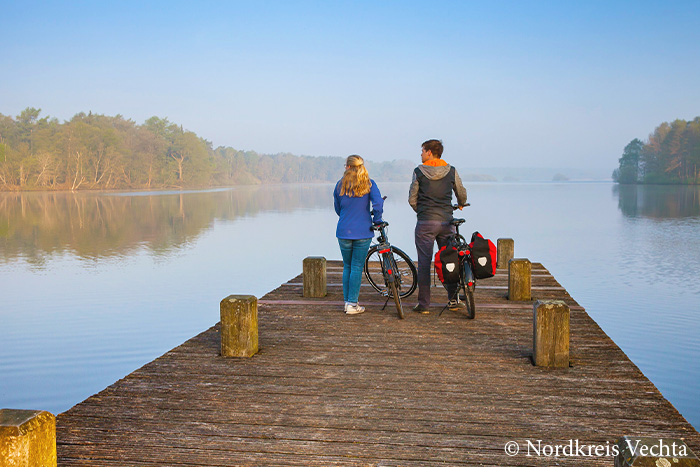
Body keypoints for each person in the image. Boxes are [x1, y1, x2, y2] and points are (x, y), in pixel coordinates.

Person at [408, 139, 467, 313]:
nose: (421, 154)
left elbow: (412, 199)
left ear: (429, 152)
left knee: (424, 263)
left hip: (425, 223)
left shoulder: (419, 171)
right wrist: (461, 203)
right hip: (447, 222)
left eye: (422, 151)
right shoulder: (451, 171)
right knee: (450, 259)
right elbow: (461, 192)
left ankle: (424, 305)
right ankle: (453, 299)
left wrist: (423, 212)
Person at [334, 155, 384, 315]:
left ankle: (347, 303)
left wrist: (346, 217)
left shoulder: (339, 185)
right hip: (363, 231)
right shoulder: (369, 183)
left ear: (348, 167)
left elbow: (337, 208)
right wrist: (377, 219)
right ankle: (352, 304)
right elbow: (378, 204)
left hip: (343, 231)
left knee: (347, 266)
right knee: (356, 267)